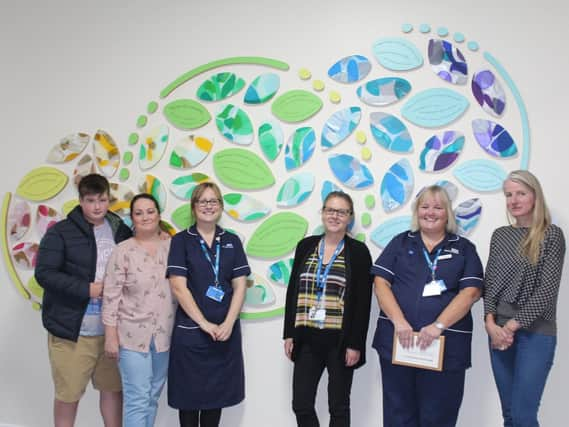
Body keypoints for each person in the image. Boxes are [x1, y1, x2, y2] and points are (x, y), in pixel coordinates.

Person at [371, 185, 483, 427]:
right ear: (417, 212)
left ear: (448, 213)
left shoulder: (464, 248)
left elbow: (471, 292)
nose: (430, 212)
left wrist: (438, 325)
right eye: (424, 207)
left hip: (445, 348)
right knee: (398, 413)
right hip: (399, 343)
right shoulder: (400, 243)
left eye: (438, 207)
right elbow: (380, 283)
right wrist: (399, 322)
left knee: (439, 415)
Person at [35, 173, 132, 427]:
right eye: (90, 200)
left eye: (102, 200)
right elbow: (44, 274)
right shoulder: (60, 232)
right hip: (72, 332)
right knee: (68, 395)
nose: (97, 206)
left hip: (112, 331)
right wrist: (86, 289)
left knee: (112, 390)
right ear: (80, 201)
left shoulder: (120, 230)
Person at [283, 191, 373, 427]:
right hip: (306, 338)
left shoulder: (359, 252)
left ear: (350, 217)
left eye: (341, 212)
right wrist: (289, 333)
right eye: (330, 210)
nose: (335, 216)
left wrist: (355, 343)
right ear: (322, 213)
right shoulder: (306, 246)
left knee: (339, 406)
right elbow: (293, 290)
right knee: (301, 404)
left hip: (340, 342)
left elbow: (363, 303)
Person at [484, 170, 565, 427]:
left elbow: (547, 291)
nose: (514, 200)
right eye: (509, 194)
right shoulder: (500, 235)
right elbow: (491, 282)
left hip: (535, 333)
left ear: (535, 196)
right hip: (498, 333)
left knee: (523, 415)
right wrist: (490, 323)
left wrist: (510, 326)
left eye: (521, 193)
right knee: (509, 414)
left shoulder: (551, 235)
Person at [166, 182, 250, 427]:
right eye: (202, 201)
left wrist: (228, 322)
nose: (208, 206)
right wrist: (204, 323)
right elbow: (178, 287)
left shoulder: (232, 241)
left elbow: (240, 286)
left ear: (221, 206)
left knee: (216, 402)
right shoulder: (181, 241)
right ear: (193, 207)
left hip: (223, 335)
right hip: (191, 335)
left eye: (213, 201)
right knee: (189, 403)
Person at [102, 193, 176, 427]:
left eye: (150, 211)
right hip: (131, 337)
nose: (145, 217)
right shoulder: (122, 251)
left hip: (164, 337)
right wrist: (110, 337)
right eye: (139, 213)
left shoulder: (172, 248)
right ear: (132, 218)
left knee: (152, 397)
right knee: (137, 399)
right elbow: (111, 296)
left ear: (159, 215)